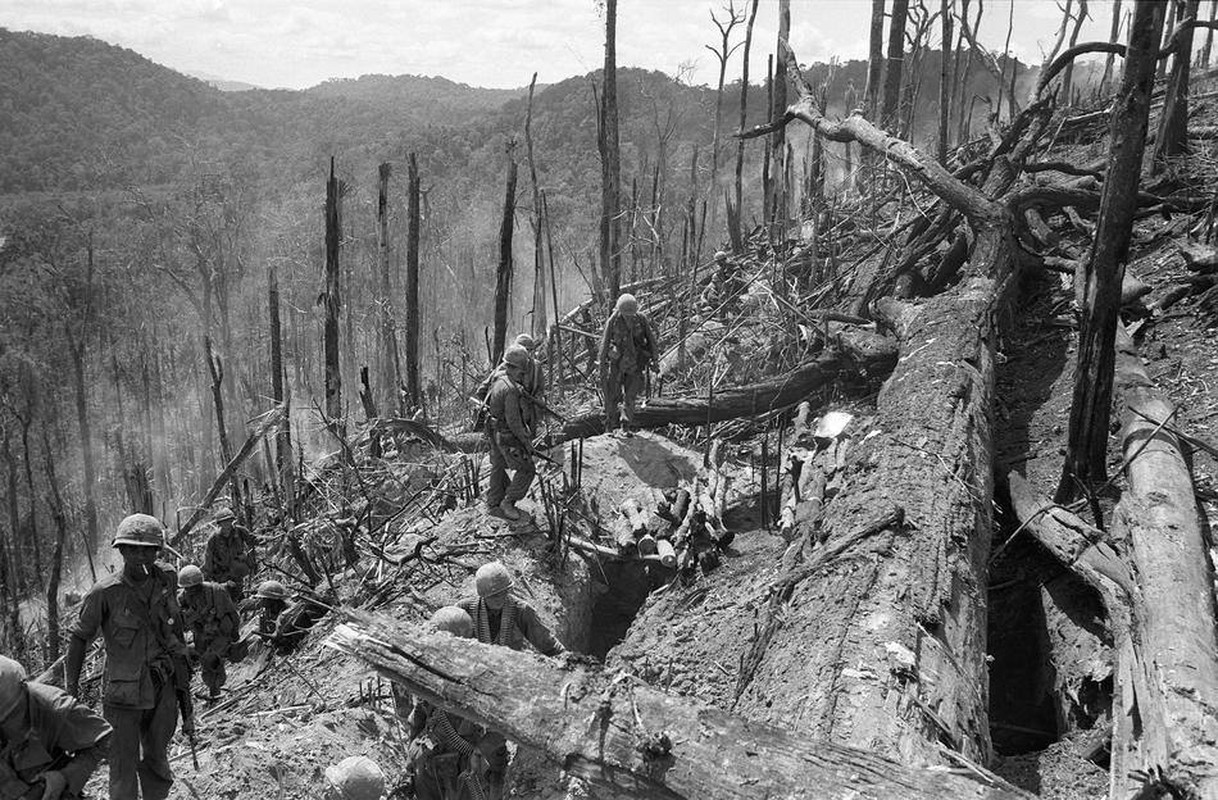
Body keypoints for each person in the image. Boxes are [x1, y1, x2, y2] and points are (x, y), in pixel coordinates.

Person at [65, 514, 190, 800]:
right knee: (122, 765)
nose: (141, 556)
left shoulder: (167, 581)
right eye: (133, 549)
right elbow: (79, 637)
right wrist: (71, 691)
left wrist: (183, 683)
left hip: (163, 688)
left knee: (157, 758)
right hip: (123, 696)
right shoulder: (105, 593)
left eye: (148, 549)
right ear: (121, 551)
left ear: (157, 551)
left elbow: (176, 632)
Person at [409, 607, 507, 800]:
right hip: (427, 758)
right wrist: (411, 752)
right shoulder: (430, 669)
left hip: (463, 764)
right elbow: (419, 712)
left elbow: (503, 727)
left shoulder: (482, 677)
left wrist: (480, 751)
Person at [0, 655, 112, 800]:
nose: (9, 723)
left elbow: (105, 739)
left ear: (23, 691)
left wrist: (64, 777)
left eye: (12, 714)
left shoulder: (54, 708)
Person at [457, 562, 564, 656]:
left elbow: (548, 644)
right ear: (483, 595)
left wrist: (568, 661)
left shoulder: (521, 610)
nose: (500, 598)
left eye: (504, 592)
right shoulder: (464, 609)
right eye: (494, 595)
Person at [483, 346, 536, 522]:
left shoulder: (499, 380)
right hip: (507, 435)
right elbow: (513, 421)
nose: (523, 375)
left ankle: (493, 501)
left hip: (495, 431)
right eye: (521, 371)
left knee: (498, 465)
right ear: (515, 368)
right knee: (527, 469)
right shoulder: (511, 389)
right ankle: (508, 502)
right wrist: (525, 441)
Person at [177, 564, 240, 704]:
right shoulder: (183, 598)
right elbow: (180, 621)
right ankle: (214, 692)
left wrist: (235, 631)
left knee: (211, 658)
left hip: (220, 631)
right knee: (206, 662)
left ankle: (215, 691)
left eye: (194, 588)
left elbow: (232, 612)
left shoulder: (217, 591)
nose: (191, 591)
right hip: (201, 634)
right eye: (187, 588)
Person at [599, 293, 656, 435]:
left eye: (631, 314)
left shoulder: (641, 319)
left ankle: (626, 426)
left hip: (635, 364)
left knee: (630, 396)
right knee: (612, 394)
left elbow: (651, 340)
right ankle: (610, 426)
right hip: (617, 364)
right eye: (625, 314)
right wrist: (601, 364)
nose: (628, 316)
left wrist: (655, 359)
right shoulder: (613, 321)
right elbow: (605, 343)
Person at [202, 506, 257, 602]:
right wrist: (208, 577)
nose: (226, 524)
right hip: (221, 573)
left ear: (232, 521)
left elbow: (253, 540)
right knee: (223, 596)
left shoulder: (240, 531)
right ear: (219, 524)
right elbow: (208, 558)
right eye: (223, 522)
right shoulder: (214, 538)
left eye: (228, 521)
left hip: (237, 571)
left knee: (237, 594)